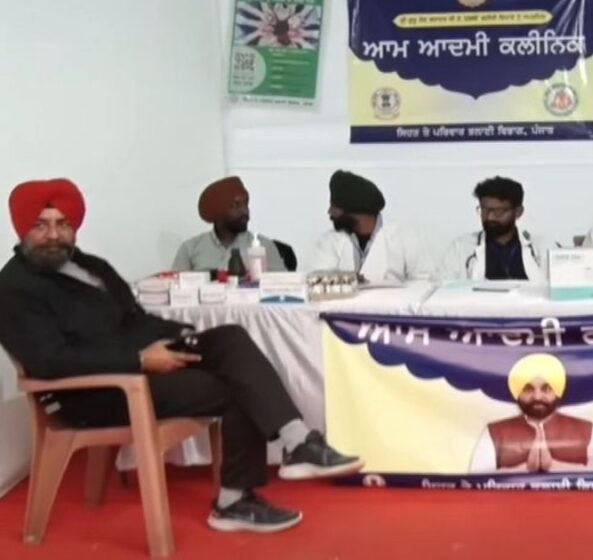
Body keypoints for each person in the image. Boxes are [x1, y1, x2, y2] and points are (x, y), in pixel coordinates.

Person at [0, 178, 362, 534]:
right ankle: (234, 501)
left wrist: (183, 336)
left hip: (135, 366)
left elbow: (135, 320)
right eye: (41, 225)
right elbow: (49, 360)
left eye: (63, 224)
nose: (53, 234)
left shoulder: (92, 267)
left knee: (230, 339)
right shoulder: (14, 287)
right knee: (238, 386)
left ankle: (298, 441)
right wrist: (139, 360)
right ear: (21, 228)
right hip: (94, 393)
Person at [469, 354, 593, 473]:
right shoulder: (494, 432)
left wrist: (554, 466)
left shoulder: (587, 430)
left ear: (557, 392)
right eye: (528, 389)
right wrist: (525, 469)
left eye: (546, 389)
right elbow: (474, 481)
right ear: (517, 394)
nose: (537, 396)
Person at [311, 170, 433, 283]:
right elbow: (320, 280)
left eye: (334, 208)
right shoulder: (329, 242)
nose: (329, 213)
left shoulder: (405, 238)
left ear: (355, 210)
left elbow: (424, 283)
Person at [438, 176, 547, 281]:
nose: (489, 217)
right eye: (484, 210)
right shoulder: (460, 247)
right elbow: (439, 287)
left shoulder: (542, 248)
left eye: (498, 211)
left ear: (518, 212)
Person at [172, 176, 286, 272]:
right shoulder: (190, 249)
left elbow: (284, 285)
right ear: (217, 211)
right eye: (236, 205)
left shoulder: (264, 246)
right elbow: (174, 287)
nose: (245, 211)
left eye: (246, 204)